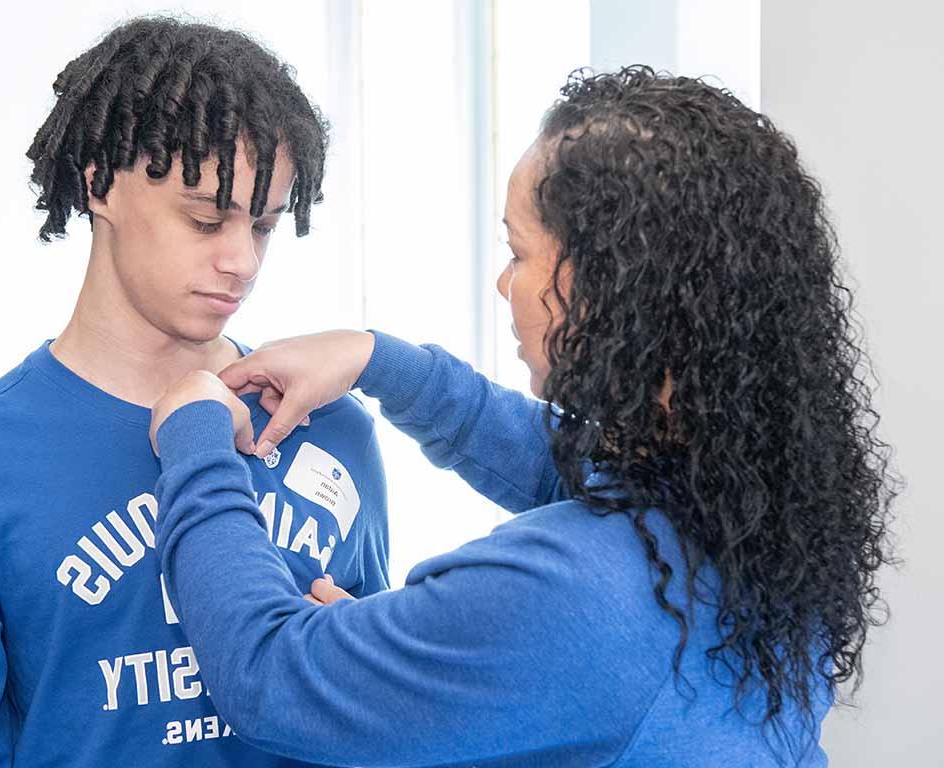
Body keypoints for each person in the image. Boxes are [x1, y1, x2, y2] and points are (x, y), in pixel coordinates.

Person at [147, 67, 898, 767]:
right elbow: (574, 470)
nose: (503, 283)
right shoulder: (756, 502)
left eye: (517, 252)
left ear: (609, 285)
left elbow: (268, 673)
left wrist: (195, 439)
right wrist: (381, 360)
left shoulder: (577, 594)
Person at [0, 17, 390, 767]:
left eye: (263, 226)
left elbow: (392, 714)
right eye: (205, 219)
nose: (241, 262)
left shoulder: (330, 427)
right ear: (99, 184)